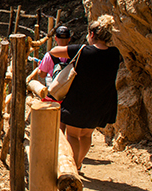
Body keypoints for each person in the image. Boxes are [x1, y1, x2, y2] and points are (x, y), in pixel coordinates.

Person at [47, 15, 121, 172]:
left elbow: (54, 51)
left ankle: (72, 168)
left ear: (92, 35)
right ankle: (79, 163)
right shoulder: (114, 54)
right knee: (87, 135)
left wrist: (78, 48)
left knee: (72, 135)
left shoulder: (82, 51)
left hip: (78, 101)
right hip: (100, 103)